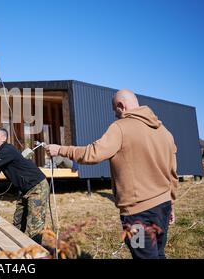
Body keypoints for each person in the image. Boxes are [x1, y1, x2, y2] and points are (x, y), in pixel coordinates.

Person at [45, 89, 178, 259]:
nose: (115, 115)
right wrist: (172, 203)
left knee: (143, 256)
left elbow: (92, 154)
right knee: (159, 254)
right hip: (164, 207)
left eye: (115, 110)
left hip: (137, 216)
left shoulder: (120, 128)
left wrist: (60, 150)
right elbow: (173, 171)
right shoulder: (165, 132)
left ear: (121, 106)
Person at [0, 128, 49, 244]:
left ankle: (33, 253)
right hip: (25, 189)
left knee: (34, 226)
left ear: (3, 138)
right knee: (18, 221)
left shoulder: (7, 150)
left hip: (37, 187)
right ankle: (17, 249)